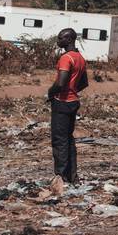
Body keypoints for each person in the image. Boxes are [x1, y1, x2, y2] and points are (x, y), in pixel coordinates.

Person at [46, 28, 87, 195]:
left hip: (62, 103)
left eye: (61, 37)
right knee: (69, 140)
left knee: (59, 141)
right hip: (73, 102)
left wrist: (50, 92)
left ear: (69, 39)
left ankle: (60, 177)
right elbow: (84, 83)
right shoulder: (80, 58)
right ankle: (72, 176)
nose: (58, 40)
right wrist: (73, 89)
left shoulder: (66, 58)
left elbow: (61, 82)